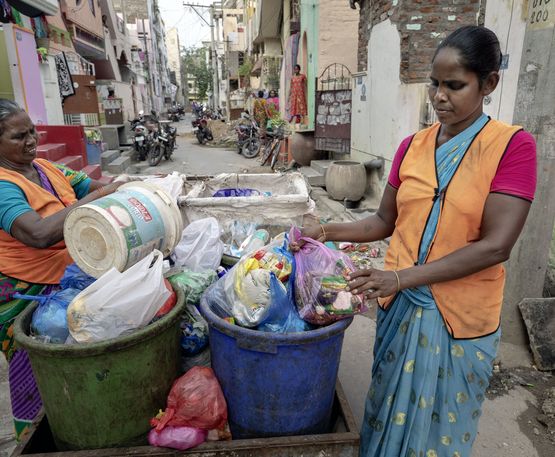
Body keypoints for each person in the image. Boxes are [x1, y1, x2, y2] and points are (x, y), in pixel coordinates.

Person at [293, 26, 536, 457]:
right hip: (400, 310)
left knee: (439, 427)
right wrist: (324, 231)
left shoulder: (512, 147)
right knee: (387, 409)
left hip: (458, 317)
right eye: (435, 84)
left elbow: (497, 246)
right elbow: (384, 220)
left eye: (455, 85)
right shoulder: (412, 147)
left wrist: (400, 278)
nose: (440, 96)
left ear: (489, 84)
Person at [0, 99, 122, 440]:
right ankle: (42, 437)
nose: (31, 141)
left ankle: (84, 425)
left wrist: (124, 190)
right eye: (18, 136)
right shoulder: (2, 185)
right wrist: (98, 199)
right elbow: (36, 234)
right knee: (38, 375)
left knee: (76, 367)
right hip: (25, 289)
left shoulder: (46, 169)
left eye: (32, 132)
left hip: (68, 278)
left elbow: (89, 186)